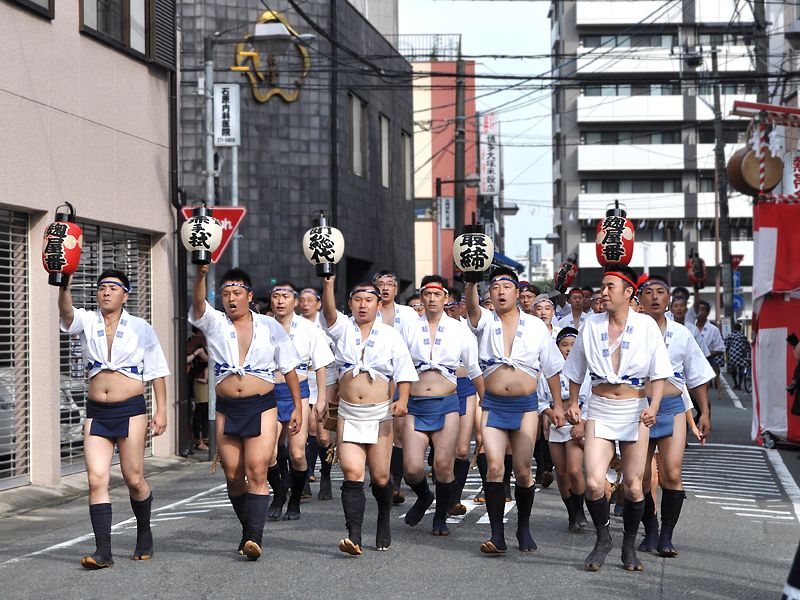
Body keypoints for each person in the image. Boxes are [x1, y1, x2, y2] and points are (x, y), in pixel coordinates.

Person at [564, 263, 672, 572]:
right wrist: (573, 402)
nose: (604, 292)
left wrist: (654, 406)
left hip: (634, 409)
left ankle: (628, 545)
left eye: (610, 286)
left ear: (628, 292)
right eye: (603, 286)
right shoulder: (591, 324)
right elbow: (575, 368)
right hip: (599, 407)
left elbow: (659, 372)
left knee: (634, 486)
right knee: (594, 482)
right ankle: (603, 539)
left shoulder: (646, 325)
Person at [189, 265, 302, 561]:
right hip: (228, 407)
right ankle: (248, 528)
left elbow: (289, 367)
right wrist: (200, 275)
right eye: (226, 293)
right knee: (233, 475)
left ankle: (254, 537)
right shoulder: (215, 322)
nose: (231, 298)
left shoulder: (269, 326)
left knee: (257, 470)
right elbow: (198, 304)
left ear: (249, 296)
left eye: (237, 292)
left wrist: (297, 406)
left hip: (261, 404)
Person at [59, 269, 170, 569]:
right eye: (102, 287)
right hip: (97, 411)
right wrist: (63, 286)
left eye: (113, 287)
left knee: (133, 478)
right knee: (96, 479)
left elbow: (157, 370)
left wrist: (161, 410)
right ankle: (103, 551)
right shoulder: (88, 320)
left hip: (130, 409)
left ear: (125, 295)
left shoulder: (140, 327)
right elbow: (67, 314)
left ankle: (144, 531)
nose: (106, 292)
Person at [466, 267, 564, 554]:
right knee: (495, 467)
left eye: (506, 287)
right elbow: (472, 309)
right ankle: (497, 534)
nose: (500, 292)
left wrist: (558, 405)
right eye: (495, 287)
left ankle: (523, 526)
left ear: (518, 293)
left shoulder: (535, 325)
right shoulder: (485, 321)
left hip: (525, 406)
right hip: (494, 404)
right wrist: (471, 281)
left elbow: (552, 368)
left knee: (522, 471)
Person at [320, 276, 418, 555]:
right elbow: (329, 313)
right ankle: (354, 535)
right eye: (358, 300)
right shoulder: (342, 329)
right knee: (352, 473)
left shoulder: (390, 335)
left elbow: (404, 371)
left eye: (369, 300)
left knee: (380, 477)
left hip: (379, 413)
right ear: (350, 303)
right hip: (349, 412)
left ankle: (383, 518)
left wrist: (402, 399)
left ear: (378, 304)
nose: (363, 305)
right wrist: (328, 285)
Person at [400, 276, 484, 536]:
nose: (432, 299)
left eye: (437, 295)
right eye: (427, 294)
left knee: (444, 466)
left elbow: (473, 368)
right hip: (415, 403)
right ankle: (425, 496)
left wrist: (487, 399)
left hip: (447, 403)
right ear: (421, 298)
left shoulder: (459, 329)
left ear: (446, 298)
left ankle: (440, 517)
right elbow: (397, 365)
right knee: (412, 470)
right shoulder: (409, 327)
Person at [637, 275, 714, 557]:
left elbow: (697, 376)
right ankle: (650, 527)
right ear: (639, 300)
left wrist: (704, 412)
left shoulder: (681, 333)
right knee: (640, 476)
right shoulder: (630, 331)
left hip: (673, 407)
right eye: (649, 292)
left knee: (671, 472)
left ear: (668, 299)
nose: (655, 297)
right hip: (637, 408)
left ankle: (667, 535)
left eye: (661, 292)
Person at [267, 282, 335, 520]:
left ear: (294, 301)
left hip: (299, 393)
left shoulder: (308, 328)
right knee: (269, 453)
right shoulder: (262, 326)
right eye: (276, 296)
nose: (280, 301)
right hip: (270, 393)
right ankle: (278, 494)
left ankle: (295, 500)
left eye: (285, 296)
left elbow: (321, 364)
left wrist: (321, 399)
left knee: (297, 453)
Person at [373, 270, 419, 506]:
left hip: (401, 374)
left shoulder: (408, 314)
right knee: (380, 431)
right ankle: (381, 476)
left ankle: (395, 482)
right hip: (376, 377)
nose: (385, 288)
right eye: (380, 284)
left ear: (396, 289)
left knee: (399, 431)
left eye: (389, 284)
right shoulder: (368, 310)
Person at [538, 327, 591, 531]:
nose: (569, 349)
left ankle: (579, 510)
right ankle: (571, 513)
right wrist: (551, 414)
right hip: (557, 425)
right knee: (561, 473)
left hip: (576, 425)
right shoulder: (550, 372)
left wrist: (582, 423)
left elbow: (592, 400)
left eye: (573, 345)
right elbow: (540, 400)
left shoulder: (585, 371)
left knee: (575, 470)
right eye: (564, 345)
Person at [299, 286, 337, 500]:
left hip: (327, 379)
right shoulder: (294, 324)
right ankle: (305, 477)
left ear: (318, 303)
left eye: (310, 300)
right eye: (302, 300)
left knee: (323, 434)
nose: (305, 304)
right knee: (306, 430)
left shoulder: (328, 323)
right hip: (303, 379)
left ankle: (326, 475)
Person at [694, 300, 726, 392]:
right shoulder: (688, 326)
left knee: (702, 391)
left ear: (707, 313)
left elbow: (720, 348)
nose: (699, 312)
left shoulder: (713, 329)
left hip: (706, 364)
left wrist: (705, 354)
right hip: (688, 364)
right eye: (697, 310)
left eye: (702, 310)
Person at [187, 330, 209, 450]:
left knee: (205, 410)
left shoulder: (202, 340)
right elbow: (207, 359)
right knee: (200, 410)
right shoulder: (196, 342)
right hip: (200, 380)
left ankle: (205, 439)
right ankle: (198, 441)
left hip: (206, 380)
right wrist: (198, 353)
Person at [725, 323, 749, 390]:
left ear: (734, 328)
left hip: (733, 354)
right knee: (741, 369)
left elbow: (726, 346)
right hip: (741, 354)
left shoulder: (730, 336)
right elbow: (747, 346)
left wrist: (727, 356)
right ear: (740, 329)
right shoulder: (743, 336)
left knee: (733, 369)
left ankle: (735, 383)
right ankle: (740, 385)